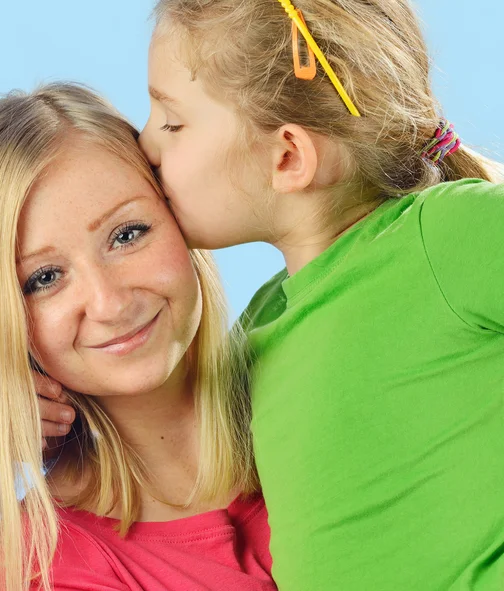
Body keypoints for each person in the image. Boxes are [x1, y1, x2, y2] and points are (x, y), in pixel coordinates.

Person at [46, 1, 504, 589]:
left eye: (172, 121)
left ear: (288, 156)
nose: (146, 144)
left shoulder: (442, 236)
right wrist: (34, 415)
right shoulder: (266, 324)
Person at [0, 82, 275, 591]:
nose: (110, 304)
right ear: (2, 320)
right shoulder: (40, 568)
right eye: (45, 278)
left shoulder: (319, 363)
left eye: (127, 234)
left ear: (177, 216)